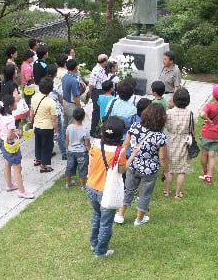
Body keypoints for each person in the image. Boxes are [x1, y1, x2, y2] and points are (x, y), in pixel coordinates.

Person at [86, 117, 134, 257]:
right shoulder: (119, 152)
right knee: (106, 223)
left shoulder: (95, 145)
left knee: (96, 216)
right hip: (107, 191)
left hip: (91, 187)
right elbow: (121, 170)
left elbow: (91, 164)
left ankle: (94, 243)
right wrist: (133, 156)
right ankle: (101, 251)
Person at [114, 104, 169, 226]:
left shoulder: (134, 127)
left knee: (128, 189)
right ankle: (139, 219)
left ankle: (120, 215)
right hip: (149, 170)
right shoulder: (160, 137)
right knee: (145, 194)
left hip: (133, 164)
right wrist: (166, 171)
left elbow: (125, 146)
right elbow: (162, 157)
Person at [0, 95, 35, 199]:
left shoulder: (1, 115)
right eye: (15, 103)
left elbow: (5, 131)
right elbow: (10, 135)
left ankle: (9, 185)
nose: (16, 104)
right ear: (10, 106)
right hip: (11, 145)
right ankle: (22, 191)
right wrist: (18, 134)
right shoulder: (10, 119)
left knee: (7, 163)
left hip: (3, 142)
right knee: (17, 167)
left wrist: (14, 131)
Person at [164, 88, 194, 199]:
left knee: (169, 169)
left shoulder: (169, 113)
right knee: (181, 170)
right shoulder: (190, 114)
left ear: (175, 99)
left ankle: (166, 191)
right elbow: (192, 129)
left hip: (171, 140)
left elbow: (165, 125)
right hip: (184, 142)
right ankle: (177, 193)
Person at [31, 77, 58, 173]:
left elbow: (32, 112)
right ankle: (44, 166)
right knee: (47, 146)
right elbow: (54, 119)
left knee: (38, 143)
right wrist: (57, 131)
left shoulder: (34, 97)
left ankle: (38, 159)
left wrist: (31, 122)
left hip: (36, 125)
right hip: (47, 127)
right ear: (50, 89)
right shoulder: (50, 102)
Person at [65, 108, 91, 190]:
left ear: (73, 116)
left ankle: (68, 183)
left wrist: (67, 148)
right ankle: (83, 186)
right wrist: (90, 152)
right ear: (83, 117)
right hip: (81, 152)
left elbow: (67, 139)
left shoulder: (69, 127)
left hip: (71, 151)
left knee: (69, 167)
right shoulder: (85, 130)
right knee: (82, 168)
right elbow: (87, 144)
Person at [47, 64, 67, 160]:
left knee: (50, 130)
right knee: (59, 132)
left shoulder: (43, 82)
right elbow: (61, 95)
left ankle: (49, 151)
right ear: (55, 73)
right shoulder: (55, 83)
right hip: (55, 109)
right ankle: (64, 153)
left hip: (46, 109)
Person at [89, 54, 108, 137]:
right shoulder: (96, 70)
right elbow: (91, 84)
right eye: (107, 60)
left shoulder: (102, 69)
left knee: (101, 111)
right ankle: (93, 131)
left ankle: (99, 130)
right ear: (104, 61)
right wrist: (90, 93)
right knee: (97, 111)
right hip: (97, 91)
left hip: (101, 91)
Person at [62, 59, 81, 131]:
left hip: (65, 102)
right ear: (75, 67)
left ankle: (63, 140)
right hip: (71, 105)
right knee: (72, 125)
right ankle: (69, 141)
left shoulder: (64, 77)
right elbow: (75, 96)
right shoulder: (74, 80)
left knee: (65, 124)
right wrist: (79, 107)